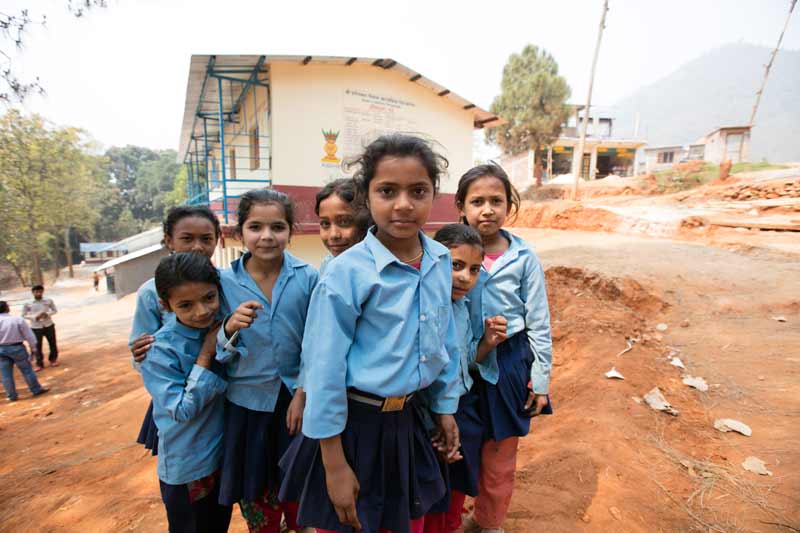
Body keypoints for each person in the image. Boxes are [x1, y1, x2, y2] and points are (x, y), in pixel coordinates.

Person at [279, 133, 462, 533]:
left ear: (435, 194)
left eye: (418, 191)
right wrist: (334, 464)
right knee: (351, 522)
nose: (403, 204)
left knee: (405, 523)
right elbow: (324, 369)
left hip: (411, 420)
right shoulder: (347, 273)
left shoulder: (440, 260)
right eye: (387, 191)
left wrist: (445, 407)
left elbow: (443, 339)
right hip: (352, 428)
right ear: (366, 196)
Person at [456, 162, 553, 533]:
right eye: (477, 200)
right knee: (458, 446)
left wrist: (540, 379)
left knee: (499, 456)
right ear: (461, 207)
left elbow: (540, 321)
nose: (487, 209)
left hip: (510, 364)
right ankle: (455, 517)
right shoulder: (446, 254)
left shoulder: (524, 258)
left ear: (509, 205)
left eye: (496, 200)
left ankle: (489, 522)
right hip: (461, 364)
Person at [215, 189, 318, 533]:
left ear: (291, 231)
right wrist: (229, 327)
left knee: (300, 482)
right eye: (255, 227)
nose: (267, 236)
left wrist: (303, 393)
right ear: (238, 232)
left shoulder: (308, 277)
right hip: (246, 405)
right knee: (256, 489)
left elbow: (317, 343)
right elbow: (210, 345)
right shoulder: (223, 283)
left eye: (277, 227)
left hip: (296, 402)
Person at [422, 225, 507, 533]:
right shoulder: (421, 307)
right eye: (455, 265)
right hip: (428, 413)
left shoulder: (461, 308)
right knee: (429, 492)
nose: (464, 277)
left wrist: (487, 342)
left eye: (474, 270)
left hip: (463, 406)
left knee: (456, 488)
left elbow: (468, 360)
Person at [140, 253, 232, 533]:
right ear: (165, 305)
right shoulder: (159, 350)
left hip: (220, 458)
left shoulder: (223, 326)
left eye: (209, 298)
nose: (202, 311)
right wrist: (205, 355)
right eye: (185, 305)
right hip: (188, 468)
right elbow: (180, 410)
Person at [130, 205, 222, 456]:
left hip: (220, 394)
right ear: (168, 240)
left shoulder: (225, 282)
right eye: (187, 238)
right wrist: (140, 353)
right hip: (180, 394)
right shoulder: (152, 292)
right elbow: (143, 353)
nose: (197, 247)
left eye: (206, 239)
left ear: (218, 238)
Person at [315, 178, 371, 274]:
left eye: (344, 222)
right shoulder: (328, 264)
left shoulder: (378, 271)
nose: (333, 235)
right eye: (325, 224)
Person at [0, 301, 49, 401]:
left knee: (6, 374)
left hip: (1, 349)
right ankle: (36, 389)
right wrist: (34, 348)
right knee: (27, 370)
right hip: (17, 348)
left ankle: (11, 396)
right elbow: (29, 335)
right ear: (6, 308)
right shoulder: (17, 319)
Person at [22, 284, 58, 370]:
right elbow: (23, 315)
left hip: (48, 324)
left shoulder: (48, 300)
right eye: (36, 292)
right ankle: (39, 363)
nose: (38, 293)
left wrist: (47, 314)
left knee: (52, 343)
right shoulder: (28, 303)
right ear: (33, 292)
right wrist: (34, 317)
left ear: (43, 291)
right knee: (37, 345)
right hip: (35, 326)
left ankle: (53, 359)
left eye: (40, 291)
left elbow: (54, 310)